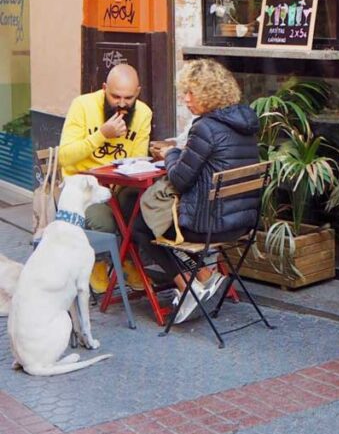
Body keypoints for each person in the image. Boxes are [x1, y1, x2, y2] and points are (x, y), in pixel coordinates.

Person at [132, 58, 261, 324]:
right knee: (156, 220)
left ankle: (188, 286)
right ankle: (203, 276)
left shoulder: (205, 127)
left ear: (208, 93)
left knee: (141, 226)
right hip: (242, 223)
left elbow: (179, 179)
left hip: (208, 225)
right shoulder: (244, 124)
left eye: (190, 92)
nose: (185, 99)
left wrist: (171, 153)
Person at [59, 63, 152, 293]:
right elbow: (65, 157)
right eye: (115, 96)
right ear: (104, 89)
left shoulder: (143, 113)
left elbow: (137, 159)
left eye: (128, 98)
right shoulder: (82, 105)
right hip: (82, 188)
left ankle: (128, 260)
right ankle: (97, 262)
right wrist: (101, 135)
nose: (121, 104)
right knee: (104, 220)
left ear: (138, 92)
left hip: (117, 186)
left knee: (142, 206)